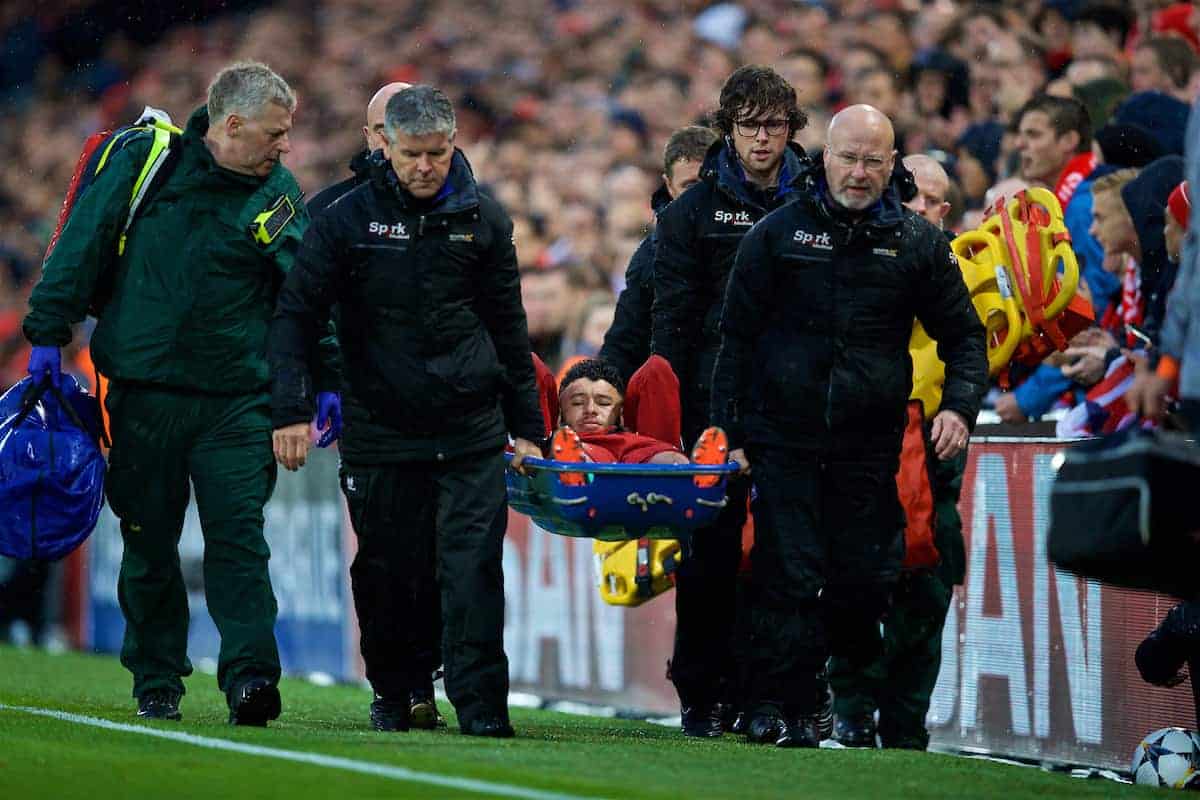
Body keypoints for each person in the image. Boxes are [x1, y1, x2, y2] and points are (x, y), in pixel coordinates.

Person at [23, 62, 330, 726]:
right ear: (233, 123)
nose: (286, 148)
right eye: (276, 134)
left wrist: (316, 384)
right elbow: (82, 244)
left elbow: (303, 302)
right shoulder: (143, 163)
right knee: (149, 541)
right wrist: (47, 331)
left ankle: (250, 679)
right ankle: (157, 677)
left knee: (239, 539)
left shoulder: (277, 194)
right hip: (144, 395)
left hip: (236, 404)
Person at [268, 85, 543, 738]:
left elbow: (509, 327)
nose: (426, 166)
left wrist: (528, 428)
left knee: (474, 568)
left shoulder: (485, 220)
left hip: (470, 425)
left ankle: (482, 710)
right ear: (384, 145)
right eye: (413, 154)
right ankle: (396, 691)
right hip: (382, 428)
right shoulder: (342, 219)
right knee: (390, 572)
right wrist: (291, 407)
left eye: (438, 153)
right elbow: (296, 316)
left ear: (454, 145)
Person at [711, 105, 987, 748]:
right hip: (784, 436)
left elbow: (965, 336)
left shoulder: (918, 243)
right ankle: (787, 705)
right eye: (848, 157)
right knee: (788, 571)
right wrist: (734, 435)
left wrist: (959, 408)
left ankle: (842, 694)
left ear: (891, 165)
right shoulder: (776, 235)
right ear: (823, 156)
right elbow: (737, 341)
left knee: (867, 579)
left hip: (871, 442)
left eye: (873, 160)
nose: (859, 172)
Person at [650, 64, 810, 738]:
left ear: (791, 129)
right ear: (729, 129)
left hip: (797, 402)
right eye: (750, 126)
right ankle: (702, 693)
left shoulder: (818, 201)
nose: (763, 139)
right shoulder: (691, 213)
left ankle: (773, 697)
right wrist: (679, 423)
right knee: (710, 558)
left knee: (788, 557)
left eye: (775, 125)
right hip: (715, 404)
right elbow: (672, 323)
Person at [827, 154, 971, 750]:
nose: (912, 205)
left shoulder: (959, 270)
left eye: (926, 197)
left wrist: (961, 407)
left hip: (933, 441)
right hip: (863, 431)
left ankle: (906, 720)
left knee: (927, 583)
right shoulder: (853, 252)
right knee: (853, 574)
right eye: (904, 191)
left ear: (942, 212)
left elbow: (973, 345)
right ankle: (853, 708)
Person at [599, 125, 717, 384]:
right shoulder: (650, 255)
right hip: (677, 398)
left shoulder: (756, 237)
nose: (701, 197)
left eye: (710, 183)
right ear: (670, 187)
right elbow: (625, 340)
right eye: (690, 186)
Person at [307, 81, 410, 216]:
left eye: (406, 129)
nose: (393, 141)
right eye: (382, 132)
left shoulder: (446, 202)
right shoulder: (326, 210)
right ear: (369, 136)